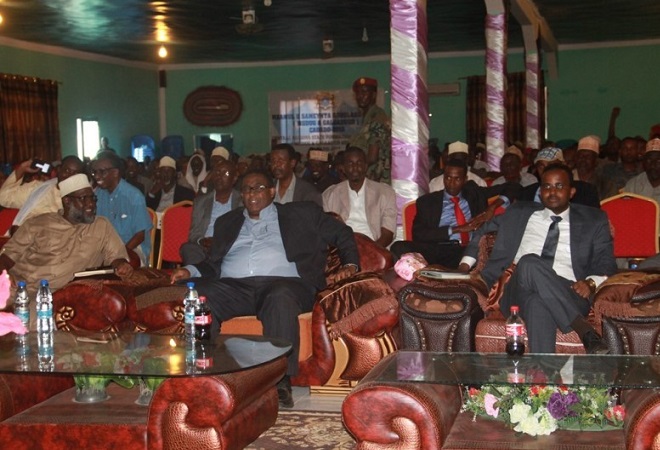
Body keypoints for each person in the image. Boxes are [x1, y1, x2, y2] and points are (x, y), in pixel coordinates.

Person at [170, 169, 359, 408]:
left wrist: (350, 265)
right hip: (235, 287)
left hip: (286, 284)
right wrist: (190, 271)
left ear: (271, 191)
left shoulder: (300, 213)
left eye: (258, 188)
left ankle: (280, 379)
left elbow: (342, 233)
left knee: (279, 296)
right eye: (247, 189)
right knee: (200, 297)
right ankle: (205, 373)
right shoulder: (227, 222)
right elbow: (212, 264)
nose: (252, 194)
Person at [458, 164, 617, 354]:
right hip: (517, 289)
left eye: (559, 186)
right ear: (540, 192)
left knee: (537, 303)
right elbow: (482, 230)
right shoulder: (520, 212)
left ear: (572, 192)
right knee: (529, 262)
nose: (552, 192)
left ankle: (543, 371)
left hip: (570, 291)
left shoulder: (594, 219)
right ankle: (584, 330)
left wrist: (590, 283)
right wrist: (464, 266)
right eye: (546, 186)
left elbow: (607, 264)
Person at [0, 173, 132, 295]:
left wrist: (121, 265)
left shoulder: (102, 226)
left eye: (92, 198)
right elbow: (6, 257)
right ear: (67, 201)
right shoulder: (37, 224)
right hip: (24, 290)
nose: (91, 204)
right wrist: (5, 275)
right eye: (83, 198)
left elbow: (117, 257)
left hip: (67, 296)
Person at [391, 159, 506, 267]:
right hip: (437, 249)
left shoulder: (474, 193)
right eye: (448, 178)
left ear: (465, 179)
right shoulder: (427, 201)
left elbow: (512, 187)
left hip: (467, 250)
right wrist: (457, 229)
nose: (451, 183)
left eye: (457, 179)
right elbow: (418, 234)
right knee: (399, 246)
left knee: (491, 250)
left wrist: (492, 207)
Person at [322, 146, 396, 248]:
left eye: (359, 163)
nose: (355, 167)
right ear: (343, 168)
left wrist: (371, 251)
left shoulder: (385, 193)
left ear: (365, 166)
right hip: (343, 248)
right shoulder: (330, 195)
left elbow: (388, 233)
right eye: (350, 163)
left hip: (375, 247)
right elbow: (329, 232)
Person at [93, 151, 153, 266]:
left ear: (115, 173)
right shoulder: (97, 195)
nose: (96, 176)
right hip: (106, 249)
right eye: (95, 172)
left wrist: (119, 254)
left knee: (121, 266)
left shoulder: (134, 196)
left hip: (132, 248)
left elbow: (140, 236)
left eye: (102, 172)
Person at [180, 160, 243, 265]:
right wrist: (202, 241)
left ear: (234, 179)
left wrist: (222, 243)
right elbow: (194, 234)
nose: (219, 177)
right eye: (217, 172)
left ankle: (206, 271)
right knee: (187, 248)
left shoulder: (242, 201)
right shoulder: (200, 201)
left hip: (230, 248)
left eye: (225, 173)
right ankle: (207, 270)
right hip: (205, 249)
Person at [9, 156, 85, 231]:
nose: (70, 176)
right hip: (24, 233)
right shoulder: (39, 188)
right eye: (67, 171)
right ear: (59, 169)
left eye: (76, 173)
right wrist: (22, 168)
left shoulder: (82, 199)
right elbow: (6, 197)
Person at [519, 147, 600, 208]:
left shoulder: (585, 191)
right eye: (541, 166)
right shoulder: (526, 193)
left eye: (551, 165)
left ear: (563, 165)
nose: (546, 170)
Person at [348, 77, 391, 184]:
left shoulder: (377, 117)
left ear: (374, 95)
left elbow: (372, 157)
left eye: (364, 92)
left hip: (376, 179)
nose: (360, 96)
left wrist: (351, 166)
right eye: (358, 93)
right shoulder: (366, 117)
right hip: (367, 179)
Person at [573, 135, 617, 200]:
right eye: (580, 156)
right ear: (575, 158)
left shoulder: (606, 185)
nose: (583, 159)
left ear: (596, 161)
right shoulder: (567, 179)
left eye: (588, 157)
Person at [623, 138, 660, 205]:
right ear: (644, 162)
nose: (653, 165)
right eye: (649, 160)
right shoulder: (633, 185)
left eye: (658, 161)